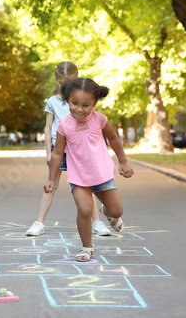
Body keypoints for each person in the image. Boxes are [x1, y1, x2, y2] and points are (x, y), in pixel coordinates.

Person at [44, 77, 134, 262]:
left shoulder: (100, 119)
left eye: (86, 105)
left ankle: (107, 213)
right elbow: (57, 153)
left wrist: (123, 162)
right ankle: (87, 247)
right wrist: (52, 178)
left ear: (94, 103)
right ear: (68, 100)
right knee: (84, 210)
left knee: (116, 211)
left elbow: (114, 139)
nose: (79, 109)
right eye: (74, 103)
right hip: (79, 177)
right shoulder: (64, 126)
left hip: (101, 174)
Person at [26, 61, 111, 237]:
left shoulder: (81, 99)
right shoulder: (52, 102)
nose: (65, 86)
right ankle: (39, 222)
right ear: (57, 81)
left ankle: (97, 222)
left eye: (69, 82)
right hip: (60, 150)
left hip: (80, 150)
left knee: (88, 186)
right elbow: (48, 128)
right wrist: (49, 152)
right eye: (62, 83)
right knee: (52, 184)